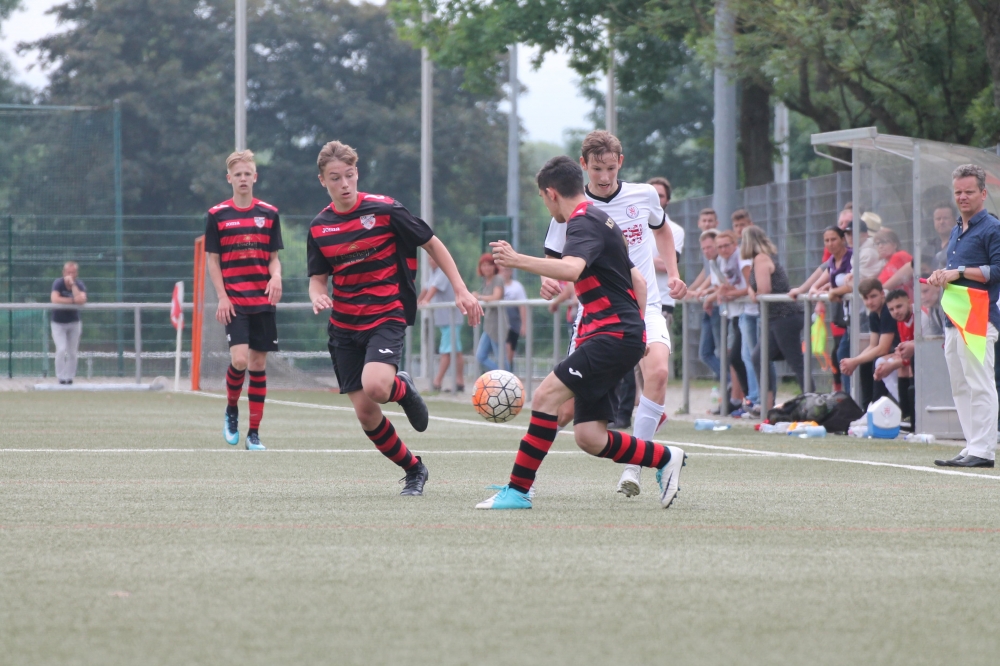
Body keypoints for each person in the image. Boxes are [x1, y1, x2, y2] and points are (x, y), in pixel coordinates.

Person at [477, 155, 685, 510]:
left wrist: (517, 260)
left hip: (610, 335)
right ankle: (665, 457)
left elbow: (572, 269)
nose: (547, 206)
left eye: (543, 199)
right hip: (615, 334)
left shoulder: (582, 222)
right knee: (590, 437)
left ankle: (518, 490)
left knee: (545, 397)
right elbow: (637, 280)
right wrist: (635, 329)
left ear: (552, 193)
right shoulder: (601, 219)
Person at [307, 140, 482, 494]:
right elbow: (317, 279)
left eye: (349, 175)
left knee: (377, 387)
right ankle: (414, 469)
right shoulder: (319, 227)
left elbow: (431, 242)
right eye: (335, 178)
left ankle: (400, 387)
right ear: (322, 181)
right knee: (366, 413)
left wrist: (461, 289)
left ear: (358, 173)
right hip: (344, 327)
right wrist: (317, 295)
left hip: (386, 314)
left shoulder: (385, 209)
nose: (344, 184)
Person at [537, 131, 686, 499]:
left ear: (620, 163)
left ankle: (635, 469)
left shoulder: (644, 195)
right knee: (563, 408)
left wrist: (674, 272)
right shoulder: (572, 203)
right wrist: (546, 280)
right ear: (583, 165)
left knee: (659, 372)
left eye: (610, 168)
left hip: (645, 306)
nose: (604, 177)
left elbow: (663, 231)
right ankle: (527, 479)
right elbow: (553, 256)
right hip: (597, 316)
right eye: (596, 169)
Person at [205, 150, 283, 451]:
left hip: (262, 301)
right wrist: (222, 297)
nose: (243, 178)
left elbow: (273, 259)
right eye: (237, 174)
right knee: (240, 360)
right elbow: (213, 262)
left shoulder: (269, 213)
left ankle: (254, 434)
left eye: (247, 174)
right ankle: (231, 409)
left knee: (258, 364)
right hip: (235, 301)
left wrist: (276, 277)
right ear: (229, 179)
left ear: (255, 177)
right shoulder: (217, 215)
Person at [930, 164, 1000, 468]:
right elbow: (957, 273)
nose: (962, 197)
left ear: (983, 193)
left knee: (980, 382)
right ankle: (973, 445)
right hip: (955, 315)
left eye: (969, 192)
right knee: (960, 384)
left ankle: (983, 450)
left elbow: (997, 271)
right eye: (958, 192)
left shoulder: (992, 228)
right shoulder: (957, 229)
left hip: (979, 316)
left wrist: (957, 272)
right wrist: (941, 275)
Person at [744, 226, 803, 408]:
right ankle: (767, 405)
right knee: (759, 357)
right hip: (774, 318)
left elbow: (764, 289)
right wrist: (751, 290)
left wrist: (752, 292)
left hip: (784, 316)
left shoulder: (761, 258)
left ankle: (811, 400)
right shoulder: (761, 259)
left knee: (796, 362)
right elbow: (755, 288)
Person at [789, 226, 853, 392]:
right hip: (848, 318)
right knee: (841, 355)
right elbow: (816, 284)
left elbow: (854, 284)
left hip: (860, 316)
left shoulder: (851, 257)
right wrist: (813, 290)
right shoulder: (832, 261)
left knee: (844, 355)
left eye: (834, 239)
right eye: (827, 240)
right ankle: (848, 396)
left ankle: (853, 397)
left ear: (843, 239)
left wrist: (833, 291)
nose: (830, 243)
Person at [838, 278, 898, 409]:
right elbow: (873, 345)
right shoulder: (873, 315)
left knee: (878, 362)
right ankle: (867, 409)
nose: (870, 302)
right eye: (866, 298)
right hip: (893, 352)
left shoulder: (888, 311)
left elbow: (882, 348)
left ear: (882, 294)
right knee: (865, 364)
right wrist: (855, 361)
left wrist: (854, 361)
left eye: (873, 296)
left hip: (901, 351)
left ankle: (877, 406)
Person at [713, 230, 750, 415]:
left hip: (747, 311)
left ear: (735, 244)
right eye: (719, 247)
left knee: (740, 357)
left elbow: (749, 287)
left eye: (726, 245)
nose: (723, 250)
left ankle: (750, 398)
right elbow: (727, 286)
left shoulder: (741, 258)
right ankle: (745, 398)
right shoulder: (722, 261)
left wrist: (730, 294)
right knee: (736, 358)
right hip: (735, 314)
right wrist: (723, 291)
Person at [417, 257, 465, 393]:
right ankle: (459, 382)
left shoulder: (443, 271)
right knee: (456, 350)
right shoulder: (433, 273)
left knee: (446, 350)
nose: (432, 261)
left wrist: (426, 301)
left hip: (452, 318)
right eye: (430, 258)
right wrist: (417, 302)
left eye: (434, 258)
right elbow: (426, 288)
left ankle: (437, 382)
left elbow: (434, 288)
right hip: (444, 318)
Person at [873, 289, 915, 421]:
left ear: (909, 302)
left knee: (907, 367)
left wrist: (893, 365)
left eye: (899, 306)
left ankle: (912, 414)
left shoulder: (921, 316)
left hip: (926, 360)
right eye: (891, 309)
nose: (895, 312)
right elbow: (904, 350)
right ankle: (905, 414)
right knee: (882, 364)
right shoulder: (900, 321)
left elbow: (922, 348)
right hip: (913, 357)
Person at [690, 230, 722, 380]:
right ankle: (729, 383)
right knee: (706, 353)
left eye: (709, 247)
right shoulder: (713, 262)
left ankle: (732, 384)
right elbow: (716, 285)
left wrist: (708, 296)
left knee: (723, 352)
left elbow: (725, 286)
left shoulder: (722, 260)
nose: (706, 251)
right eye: (703, 248)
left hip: (722, 308)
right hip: (714, 307)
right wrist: (701, 292)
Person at [49, 261, 87, 385]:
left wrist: (73, 285)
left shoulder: (79, 284)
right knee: (61, 349)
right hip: (58, 323)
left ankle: (69, 377)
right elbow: (55, 299)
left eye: (73, 272)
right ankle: (61, 377)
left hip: (74, 322)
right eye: (68, 272)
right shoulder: (58, 283)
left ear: (76, 274)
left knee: (72, 352)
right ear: (64, 273)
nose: (70, 275)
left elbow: (81, 300)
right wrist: (72, 301)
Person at [473, 253, 507, 371]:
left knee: (501, 358)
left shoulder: (498, 279)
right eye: (484, 265)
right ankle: (500, 374)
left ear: (494, 266)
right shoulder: (485, 281)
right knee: (480, 356)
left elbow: (496, 296)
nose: (486, 268)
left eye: (489, 265)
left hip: (497, 324)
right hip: (488, 325)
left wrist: (479, 297)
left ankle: (506, 376)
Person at [500, 266, 527, 372]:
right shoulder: (497, 285)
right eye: (502, 270)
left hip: (513, 324)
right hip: (500, 323)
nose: (504, 272)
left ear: (511, 271)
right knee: (504, 348)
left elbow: (522, 306)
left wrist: (524, 324)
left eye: (507, 270)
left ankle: (507, 371)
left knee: (510, 351)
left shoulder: (517, 287)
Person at [874, 228, 914, 297]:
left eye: (884, 242)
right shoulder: (885, 264)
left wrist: (878, 293)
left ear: (895, 245)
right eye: (878, 243)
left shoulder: (900, 255)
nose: (880, 246)